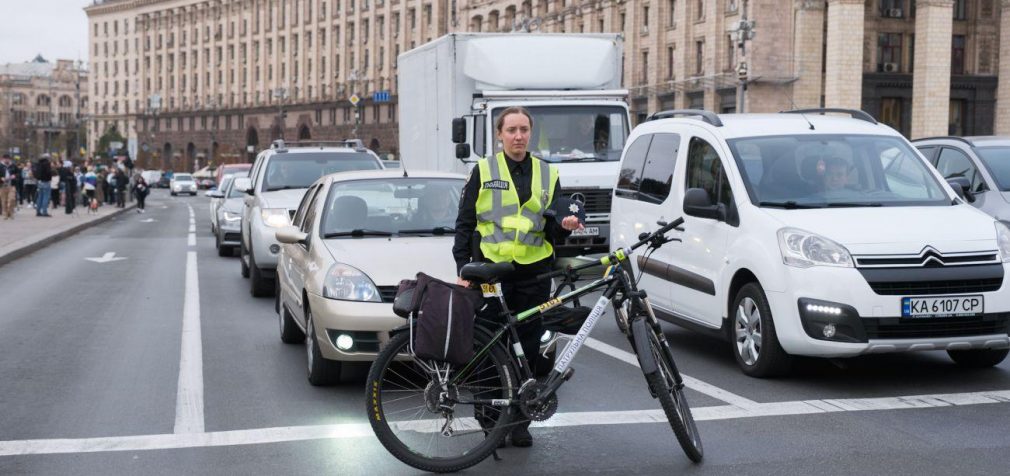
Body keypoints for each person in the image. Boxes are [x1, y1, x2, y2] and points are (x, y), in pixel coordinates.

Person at [453, 106, 583, 448]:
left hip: (534, 273)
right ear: (499, 134)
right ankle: (490, 423)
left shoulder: (547, 173)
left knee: (530, 348)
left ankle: (521, 421)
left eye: (524, 129)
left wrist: (565, 227)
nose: (518, 136)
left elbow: (553, 226)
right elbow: (465, 224)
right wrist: (463, 269)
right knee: (489, 349)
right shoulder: (483, 170)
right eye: (511, 129)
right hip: (491, 273)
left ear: (530, 133)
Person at [0, 154, 17, 220]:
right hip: (2, 186)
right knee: (4, 201)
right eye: (5, 158)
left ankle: (11, 212)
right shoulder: (0, 166)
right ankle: (5, 214)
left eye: (8, 158)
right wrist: (1, 178)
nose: (6, 160)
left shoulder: (13, 165)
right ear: (3, 159)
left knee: (12, 199)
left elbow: (18, 173)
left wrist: (14, 176)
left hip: (11, 185)